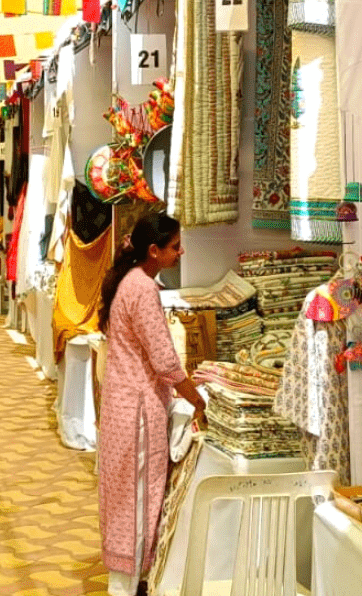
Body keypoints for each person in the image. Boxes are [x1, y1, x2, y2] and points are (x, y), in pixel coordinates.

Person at [97, 213, 206, 596]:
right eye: (175, 246)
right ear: (154, 251)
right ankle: (129, 587)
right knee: (138, 501)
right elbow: (164, 360)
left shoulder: (128, 282)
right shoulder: (142, 289)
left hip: (123, 407)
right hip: (138, 412)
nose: (181, 252)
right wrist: (198, 399)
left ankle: (129, 582)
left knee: (125, 498)